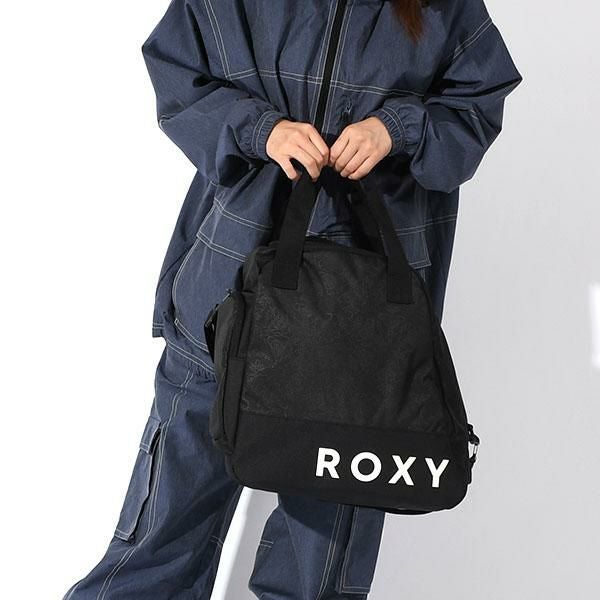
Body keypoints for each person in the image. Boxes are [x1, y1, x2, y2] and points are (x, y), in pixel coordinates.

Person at [63, 0, 522, 598]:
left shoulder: (444, 8)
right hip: (223, 299)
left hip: (362, 338)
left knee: (317, 576)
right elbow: (176, 71)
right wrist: (260, 129)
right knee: (158, 546)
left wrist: (396, 128)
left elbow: (478, 104)